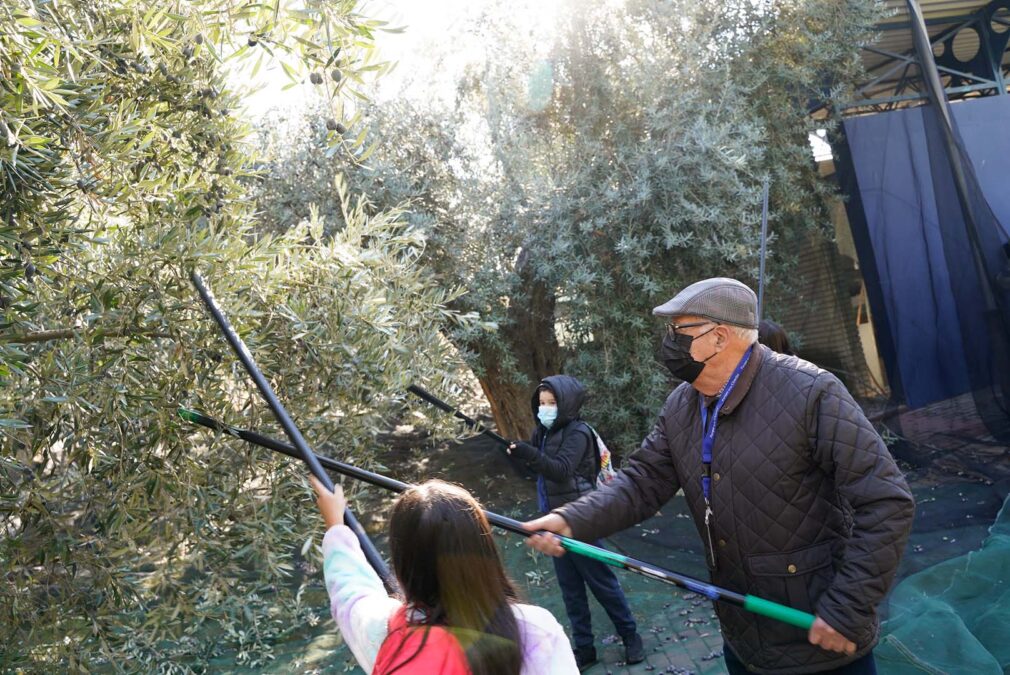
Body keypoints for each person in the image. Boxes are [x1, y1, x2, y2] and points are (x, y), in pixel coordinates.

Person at [523, 278, 915, 675]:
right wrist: (571, 520)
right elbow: (641, 481)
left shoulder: (812, 391)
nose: (669, 342)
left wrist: (847, 607)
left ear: (719, 336)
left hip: (819, 642)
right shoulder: (682, 405)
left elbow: (887, 502)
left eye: (679, 331)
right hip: (743, 640)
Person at [310, 476, 578, 675]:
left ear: (403, 562)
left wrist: (336, 527)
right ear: (483, 548)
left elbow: (351, 592)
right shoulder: (535, 630)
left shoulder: (385, 630)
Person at [506, 375, 644, 670]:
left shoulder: (578, 432)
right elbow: (538, 472)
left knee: (601, 582)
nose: (545, 409)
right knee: (570, 590)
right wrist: (520, 456)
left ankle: (630, 635)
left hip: (580, 519)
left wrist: (532, 454)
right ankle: (585, 647)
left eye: (552, 403)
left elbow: (560, 470)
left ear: (566, 403)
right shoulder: (542, 433)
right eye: (541, 404)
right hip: (552, 521)